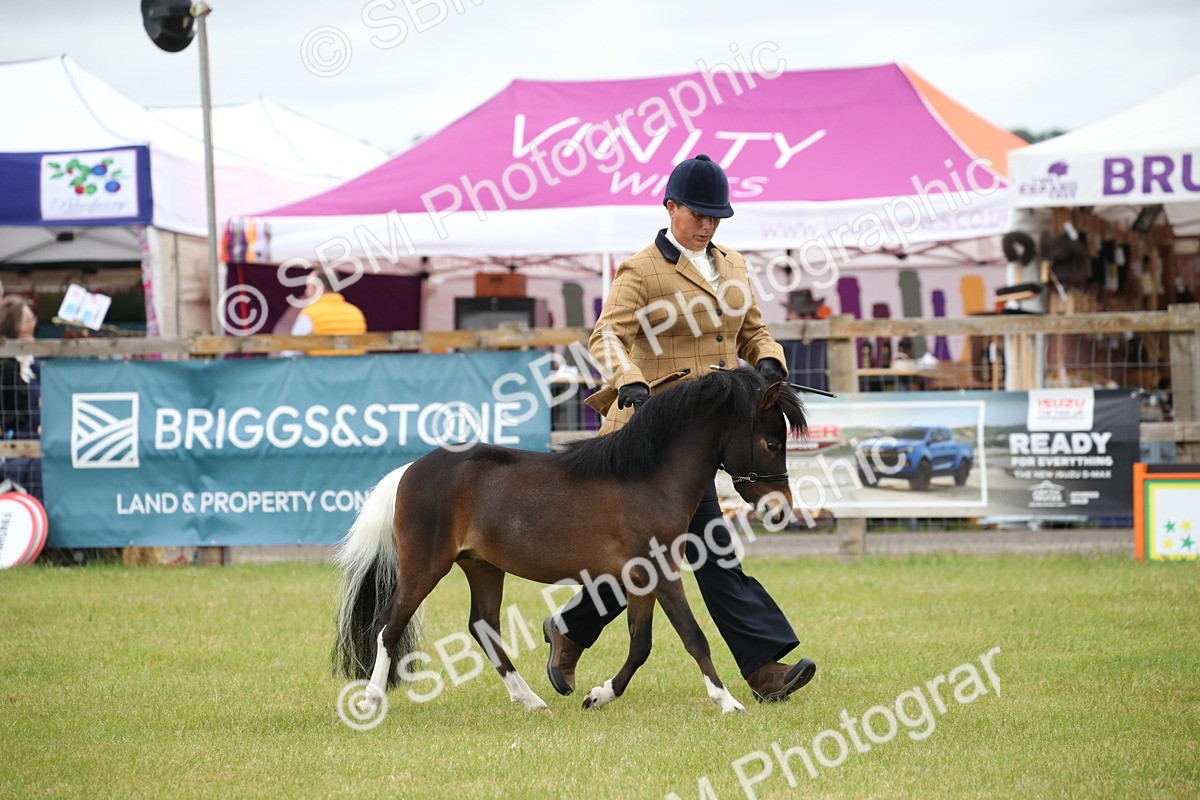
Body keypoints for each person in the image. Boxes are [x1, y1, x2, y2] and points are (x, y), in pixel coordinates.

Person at [544, 154, 817, 703]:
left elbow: (753, 332)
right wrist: (629, 380)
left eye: (716, 216)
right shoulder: (642, 270)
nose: (708, 225)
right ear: (670, 207)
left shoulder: (734, 265)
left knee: (686, 552)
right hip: (647, 437)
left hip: (702, 440)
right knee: (681, 551)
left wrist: (768, 361)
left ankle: (571, 629)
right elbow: (607, 335)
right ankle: (762, 669)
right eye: (698, 214)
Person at [0, 296, 42, 497]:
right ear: (18, 326)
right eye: (29, 319)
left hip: (41, 441)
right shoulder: (6, 368)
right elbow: (11, 415)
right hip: (14, 446)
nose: (34, 323)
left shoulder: (36, 361)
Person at [289, 269, 367, 355]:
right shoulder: (356, 313)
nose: (306, 292)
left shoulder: (310, 314)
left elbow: (292, 351)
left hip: (320, 363)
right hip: (354, 363)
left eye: (309, 287)